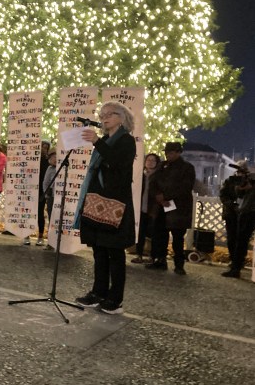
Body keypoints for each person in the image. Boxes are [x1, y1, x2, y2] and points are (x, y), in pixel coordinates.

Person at [74, 101, 136, 315]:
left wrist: (98, 143)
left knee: (115, 253)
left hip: (115, 203)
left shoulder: (126, 141)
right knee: (99, 250)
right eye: (102, 115)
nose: (104, 118)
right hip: (97, 201)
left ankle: (115, 299)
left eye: (109, 114)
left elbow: (118, 163)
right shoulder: (108, 140)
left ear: (122, 117)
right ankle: (97, 293)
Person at [146, 142, 196, 275]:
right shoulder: (162, 166)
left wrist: (166, 196)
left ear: (179, 152)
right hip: (161, 206)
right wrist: (158, 196)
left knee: (178, 237)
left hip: (178, 207)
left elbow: (185, 187)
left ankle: (179, 264)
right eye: (166, 152)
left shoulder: (187, 167)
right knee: (159, 235)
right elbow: (153, 182)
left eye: (171, 152)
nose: (168, 155)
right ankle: (160, 260)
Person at [222, 167, 255, 278]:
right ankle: (235, 266)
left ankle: (236, 267)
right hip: (242, 212)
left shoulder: (251, 180)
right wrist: (241, 188)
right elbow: (237, 194)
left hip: (248, 212)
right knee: (237, 240)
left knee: (241, 240)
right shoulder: (232, 181)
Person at [132, 153, 162, 263]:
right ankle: (139, 254)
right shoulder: (140, 175)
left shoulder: (159, 175)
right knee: (140, 233)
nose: (150, 162)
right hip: (141, 208)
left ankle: (152, 256)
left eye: (153, 160)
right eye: (148, 160)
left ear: (157, 162)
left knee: (154, 233)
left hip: (153, 209)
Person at [219, 160, 248, 265]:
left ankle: (240, 260)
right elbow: (223, 195)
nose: (239, 172)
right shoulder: (229, 181)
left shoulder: (249, 181)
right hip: (231, 213)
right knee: (231, 237)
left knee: (242, 238)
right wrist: (232, 204)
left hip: (244, 214)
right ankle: (233, 259)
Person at [41, 148, 57, 250]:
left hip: (63, 198)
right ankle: (51, 243)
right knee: (51, 220)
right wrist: (47, 196)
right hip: (52, 198)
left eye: (56, 156)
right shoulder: (50, 169)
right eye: (52, 157)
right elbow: (45, 183)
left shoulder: (66, 167)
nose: (54, 159)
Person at [37, 140, 51, 245]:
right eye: (42, 147)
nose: (44, 149)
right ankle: (26, 235)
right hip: (33, 189)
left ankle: (40, 235)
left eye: (46, 147)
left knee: (40, 212)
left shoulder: (48, 161)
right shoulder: (35, 159)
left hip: (43, 190)